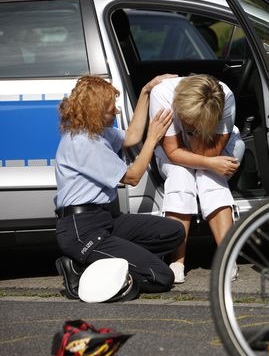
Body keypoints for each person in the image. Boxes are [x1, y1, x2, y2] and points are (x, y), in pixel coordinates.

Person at [54, 74, 185, 301]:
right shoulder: (83, 142)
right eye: (109, 108)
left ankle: (111, 258)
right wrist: (153, 139)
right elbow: (132, 177)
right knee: (161, 277)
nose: (115, 111)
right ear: (94, 110)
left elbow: (132, 136)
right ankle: (82, 269)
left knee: (174, 232)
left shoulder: (98, 132)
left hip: (106, 220)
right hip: (82, 229)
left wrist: (145, 90)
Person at [150, 74, 245, 284]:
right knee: (180, 176)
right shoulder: (163, 94)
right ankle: (177, 263)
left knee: (209, 178)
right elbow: (173, 151)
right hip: (174, 149)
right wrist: (195, 132)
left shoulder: (225, 96)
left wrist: (197, 134)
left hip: (212, 146)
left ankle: (228, 259)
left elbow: (212, 151)